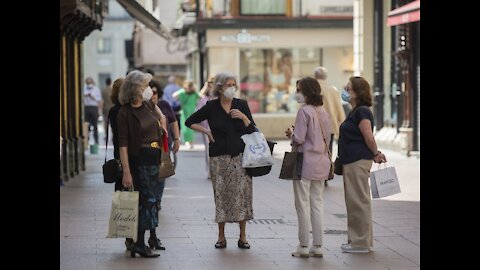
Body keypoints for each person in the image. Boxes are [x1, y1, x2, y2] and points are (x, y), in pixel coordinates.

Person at [185, 72, 256, 249]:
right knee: (221, 196)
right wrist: (207, 132)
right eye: (227, 85)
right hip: (219, 158)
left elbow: (253, 130)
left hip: (240, 157)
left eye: (234, 84)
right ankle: (221, 236)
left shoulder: (241, 105)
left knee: (242, 196)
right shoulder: (211, 106)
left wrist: (244, 118)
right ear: (219, 87)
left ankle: (243, 236)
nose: (232, 88)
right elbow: (189, 121)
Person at [117, 70, 167, 258]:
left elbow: (162, 119)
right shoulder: (125, 113)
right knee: (147, 200)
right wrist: (126, 172)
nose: (148, 89)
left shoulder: (147, 106)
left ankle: (141, 242)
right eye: (144, 86)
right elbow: (123, 145)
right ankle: (139, 242)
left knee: (150, 200)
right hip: (139, 159)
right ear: (134, 88)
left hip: (153, 157)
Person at [338, 76, 387, 253]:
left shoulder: (362, 112)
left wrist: (375, 153)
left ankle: (361, 243)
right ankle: (356, 240)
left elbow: (368, 136)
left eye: (348, 87)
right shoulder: (355, 111)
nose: (345, 90)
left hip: (357, 161)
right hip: (352, 161)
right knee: (353, 201)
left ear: (358, 92)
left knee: (358, 201)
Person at [284, 77, 332, 258]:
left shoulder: (304, 112)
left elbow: (300, 138)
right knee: (317, 203)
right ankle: (318, 245)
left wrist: (292, 133)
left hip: (304, 162)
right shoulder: (323, 112)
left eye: (299, 90)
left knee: (302, 204)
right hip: (321, 162)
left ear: (307, 92)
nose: (296, 93)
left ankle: (303, 245)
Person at [150, 79, 180, 210]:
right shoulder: (142, 107)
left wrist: (177, 139)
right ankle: (150, 199)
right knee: (150, 175)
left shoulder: (165, 105)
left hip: (164, 146)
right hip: (147, 147)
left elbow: (173, 122)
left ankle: (157, 200)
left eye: (154, 92)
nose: (152, 95)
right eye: (149, 92)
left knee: (161, 174)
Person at [313, 67, 345, 186]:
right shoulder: (332, 89)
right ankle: (326, 174)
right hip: (330, 126)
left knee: (315, 150)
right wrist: (341, 122)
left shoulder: (313, 89)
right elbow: (338, 107)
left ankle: (317, 174)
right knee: (328, 150)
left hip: (315, 125)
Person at [196, 76, 216, 178]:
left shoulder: (220, 99)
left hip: (220, 129)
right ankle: (210, 170)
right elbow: (198, 114)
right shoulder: (204, 99)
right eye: (210, 83)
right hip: (207, 129)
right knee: (209, 151)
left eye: (213, 83)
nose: (211, 85)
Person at [173, 80, 200, 149]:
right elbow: (174, 95)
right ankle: (187, 142)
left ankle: (190, 142)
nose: (189, 88)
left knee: (191, 128)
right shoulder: (182, 93)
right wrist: (182, 90)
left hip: (192, 113)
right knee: (185, 128)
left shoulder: (194, 94)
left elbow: (201, 97)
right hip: (184, 113)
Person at [83, 77, 102, 145]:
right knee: (86, 125)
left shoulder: (96, 89)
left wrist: (93, 97)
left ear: (92, 82)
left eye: (90, 82)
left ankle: (96, 141)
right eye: (88, 82)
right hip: (86, 107)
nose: (89, 84)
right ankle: (86, 141)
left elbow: (99, 99)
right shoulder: (84, 89)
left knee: (95, 125)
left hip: (94, 107)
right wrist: (85, 95)